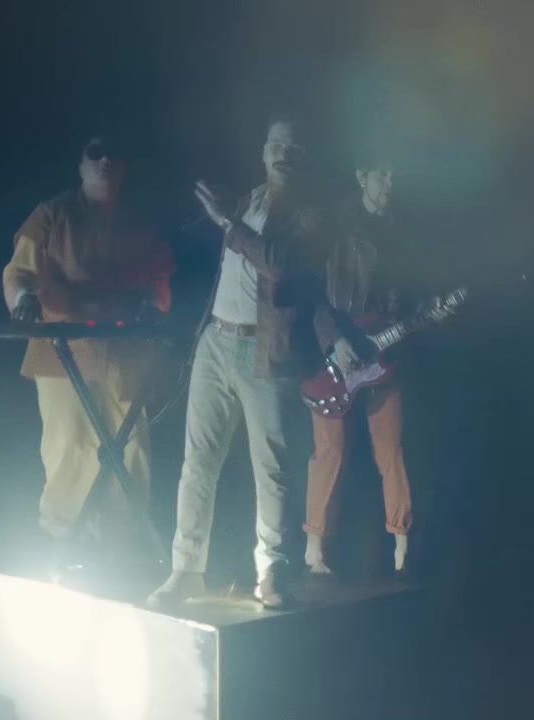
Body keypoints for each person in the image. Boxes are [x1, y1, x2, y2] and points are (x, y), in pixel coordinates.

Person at [148, 113, 330, 609]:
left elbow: (280, 263)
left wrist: (229, 222)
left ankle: (272, 573)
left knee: (271, 467)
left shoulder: (312, 213)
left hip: (263, 349)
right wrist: (226, 215)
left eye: (294, 148)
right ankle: (186, 570)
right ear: (263, 151)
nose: (284, 155)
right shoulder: (249, 198)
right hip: (216, 339)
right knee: (198, 462)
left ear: (306, 158)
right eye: (277, 145)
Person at [2, 133, 174, 553]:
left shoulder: (139, 224)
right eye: (95, 154)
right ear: (80, 165)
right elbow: (21, 271)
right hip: (65, 352)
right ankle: (62, 541)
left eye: (114, 154)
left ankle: (123, 544)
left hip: (125, 353)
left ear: (125, 167)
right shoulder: (51, 215)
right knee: (70, 448)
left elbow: (159, 281)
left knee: (131, 450)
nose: (105, 161)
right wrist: (23, 300)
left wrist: (154, 308)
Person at [304, 154, 453, 575]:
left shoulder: (404, 233)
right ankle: (314, 547)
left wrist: (431, 311)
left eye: (395, 175)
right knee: (330, 452)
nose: (390, 183)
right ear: (361, 176)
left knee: (392, 450)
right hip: (337, 353)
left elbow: (411, 299)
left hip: (385, 354)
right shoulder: (334, 228)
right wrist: (335, 340)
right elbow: (315, 293)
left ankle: (402, 546)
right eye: (382, 174)